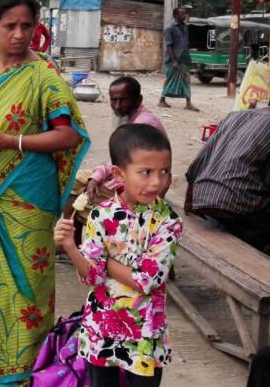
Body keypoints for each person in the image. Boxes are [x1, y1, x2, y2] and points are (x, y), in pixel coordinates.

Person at [0, 0, 89, 385]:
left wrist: (12, 141)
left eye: (26, 25)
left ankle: (26, 367)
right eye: (9, 26)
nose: (18, 34)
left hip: (30, 192)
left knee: (28, 283)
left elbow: (68, 135)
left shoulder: (44, 75)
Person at [55, 123, 182, 387]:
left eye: (164, 171)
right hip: (101, 327)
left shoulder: (168, 221)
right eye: (146, 172)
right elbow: (91, 277)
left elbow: (147, 281)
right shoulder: (100, 215)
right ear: (118, 173)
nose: (157, 182)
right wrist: (71, 247)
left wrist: (104, 262)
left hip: (144, 333)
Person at [185, 86, 270, 261]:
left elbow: (199, 161)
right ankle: (263, 268)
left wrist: (189, 200)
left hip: (202, 196)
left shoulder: (235, 115)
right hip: (236, 203)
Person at [66, 76, 168, 229]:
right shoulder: (132, 119)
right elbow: (119, 160)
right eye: (114, 100)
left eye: (123, 100)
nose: (117, 106)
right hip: (127, 172)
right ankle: (72, 235)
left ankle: (87, 237)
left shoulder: (143, 125)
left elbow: (136, 172)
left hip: (140, 184)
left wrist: (98, 180)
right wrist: (95, 178)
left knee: (84, 198)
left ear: (138, 99)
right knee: (73, 180)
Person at [159, 7, 198, 111]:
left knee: (186, 80)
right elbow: (169, 46)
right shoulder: (169, 28)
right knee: (169, 79)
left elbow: (185, 44)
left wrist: (189, 59)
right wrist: (173, 61)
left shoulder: (185, 27)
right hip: (173, 60)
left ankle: (188, 103)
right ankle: (162, 100)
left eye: (185, 13)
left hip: (184, 59)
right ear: (176, 15)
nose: (185, 15)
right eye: (182, 14)